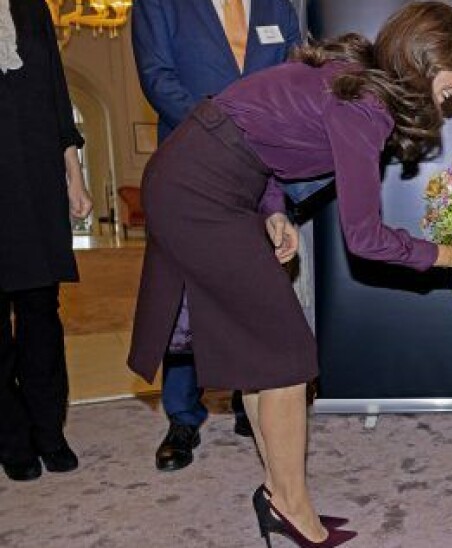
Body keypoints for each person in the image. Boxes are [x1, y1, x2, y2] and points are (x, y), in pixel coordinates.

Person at [127, 3, 452, 546]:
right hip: (200, 191)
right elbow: (365, 237)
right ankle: (291, 506)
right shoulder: (364, 104)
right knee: (285, 358)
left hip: (214, 180)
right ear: (429, 60)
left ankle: (279, 494)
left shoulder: (351, 82)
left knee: (265, 359)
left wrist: (273, 207)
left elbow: (256, 130)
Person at [132, 0, 301, 472]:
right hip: (190, 163)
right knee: (184, 294)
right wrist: (224, 130)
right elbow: (157, 75)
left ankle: (253, 392)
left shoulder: (277, 7)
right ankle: (183, 417)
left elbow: (290, 80)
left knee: (253, 287)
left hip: (259, 165)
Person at [0, 0, 93, 481]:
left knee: (41, 314)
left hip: (35, 180)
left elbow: (59, 99)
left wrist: (74, 180)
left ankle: (49, 430)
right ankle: (12, 437)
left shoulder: (33, 8)